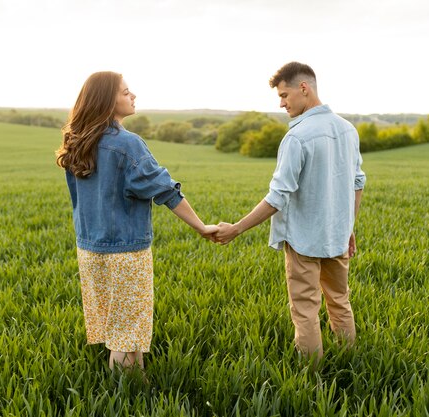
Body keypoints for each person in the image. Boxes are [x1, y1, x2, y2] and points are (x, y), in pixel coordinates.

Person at [56, 71, 218, 370]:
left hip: (90, 251)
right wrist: (201, 227)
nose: (133, 96)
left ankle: (135, 389)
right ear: (108, 100)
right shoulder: (127, 144)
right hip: (126, 253)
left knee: (122, 332)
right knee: (127, 337)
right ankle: (128, 399)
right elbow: (165, 190)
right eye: (126, 91)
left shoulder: (79, 142)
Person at [215, 62, 366, 361]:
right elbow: (357, 182)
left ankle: (311, 378)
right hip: (336, 235)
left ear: (304, 89)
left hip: (303, 239)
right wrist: (348, 227)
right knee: (340, 301)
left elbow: (278, 196)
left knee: (305, 310)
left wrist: (236, 228)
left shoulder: (297, 137)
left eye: (284, 95)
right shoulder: (348, 130)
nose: (281, 103)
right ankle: (350, 364)